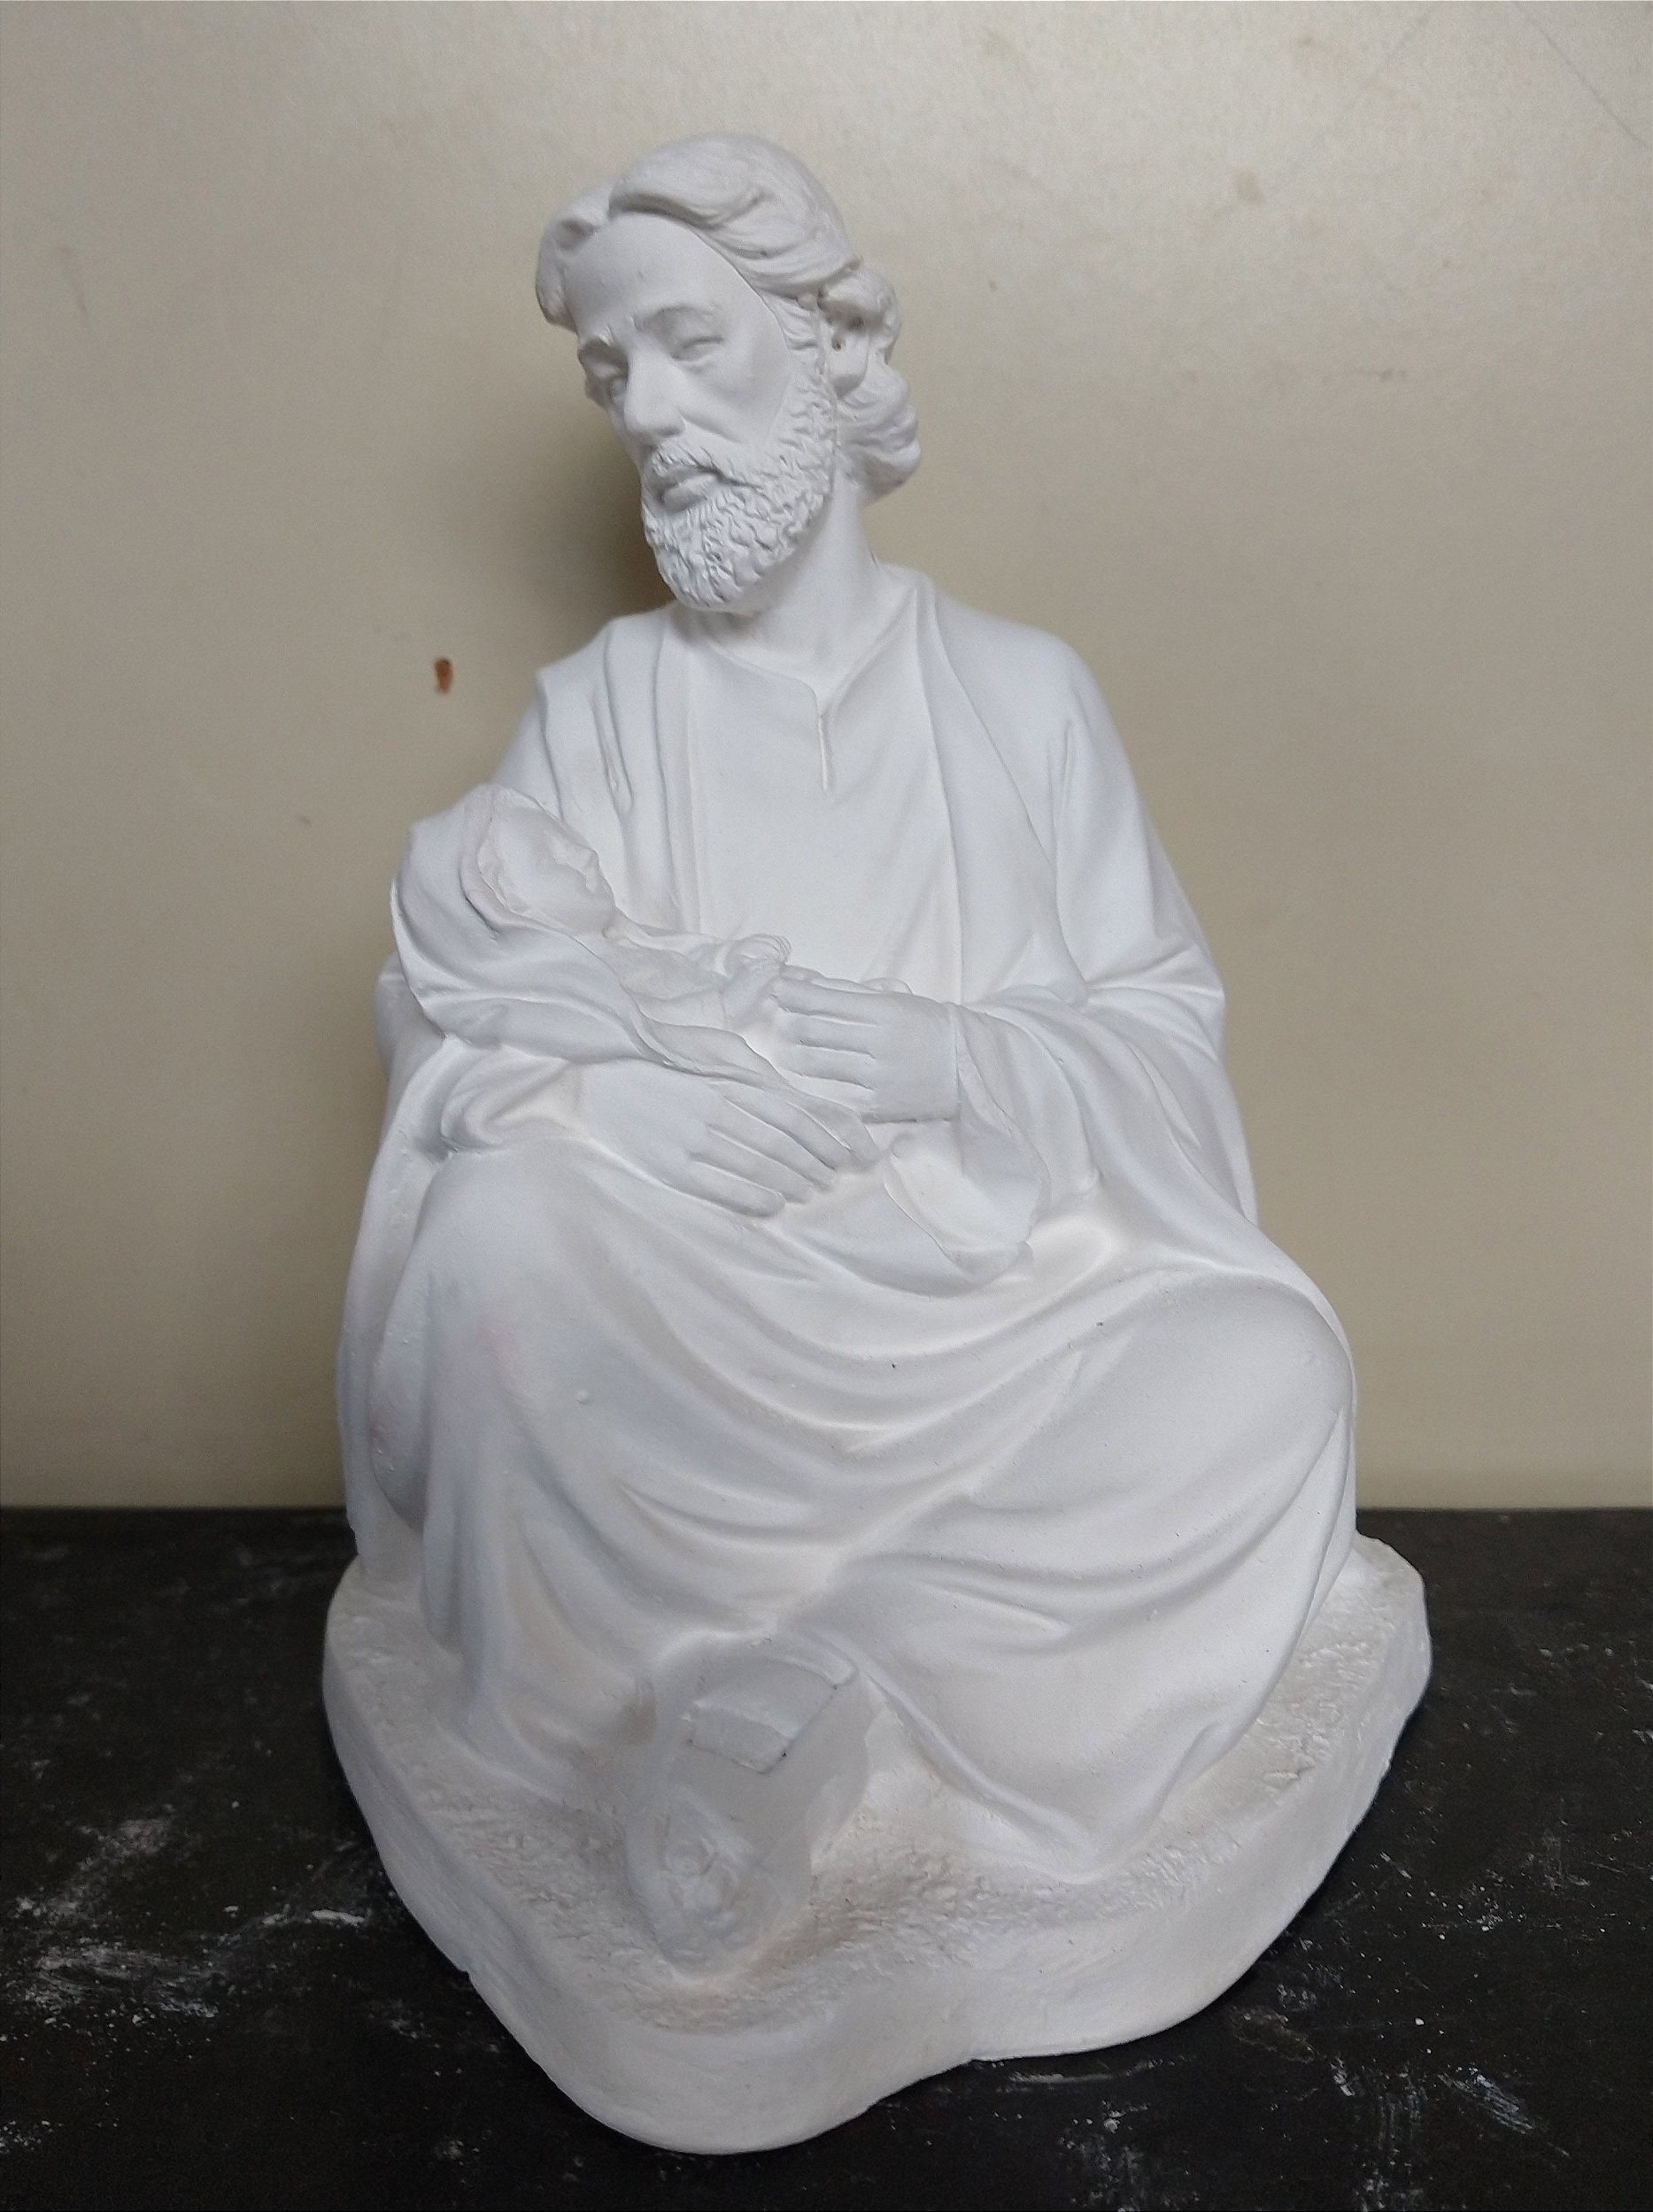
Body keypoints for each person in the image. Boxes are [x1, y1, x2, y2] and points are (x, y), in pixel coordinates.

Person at [339, 135, 1356, 1966]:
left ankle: (815, 1692)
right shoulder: (599, 712)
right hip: (699, 1298)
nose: (650, 415)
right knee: (495, 1245)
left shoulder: (1022, 695)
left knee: (1264, 1367)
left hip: (993, 1316)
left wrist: (946, 1057)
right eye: (611, 373)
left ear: (825, 350)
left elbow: (1158, 1037)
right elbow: (463, 1008)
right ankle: (694, 1719)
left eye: (689, 343)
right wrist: (615, 1108)